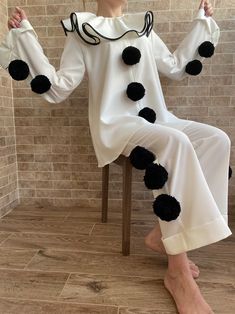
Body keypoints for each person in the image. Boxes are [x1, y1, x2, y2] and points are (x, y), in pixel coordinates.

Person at [0, 1, 232, 313]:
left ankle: (164, 235)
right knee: (174, 142)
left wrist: (201, 22)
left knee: (217, 140)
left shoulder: (143, 28)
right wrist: (26, 38)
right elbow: (57, 88)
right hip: (116, 125)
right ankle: (177, 272)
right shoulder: (82, 33)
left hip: (157, 119)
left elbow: (175, 67)